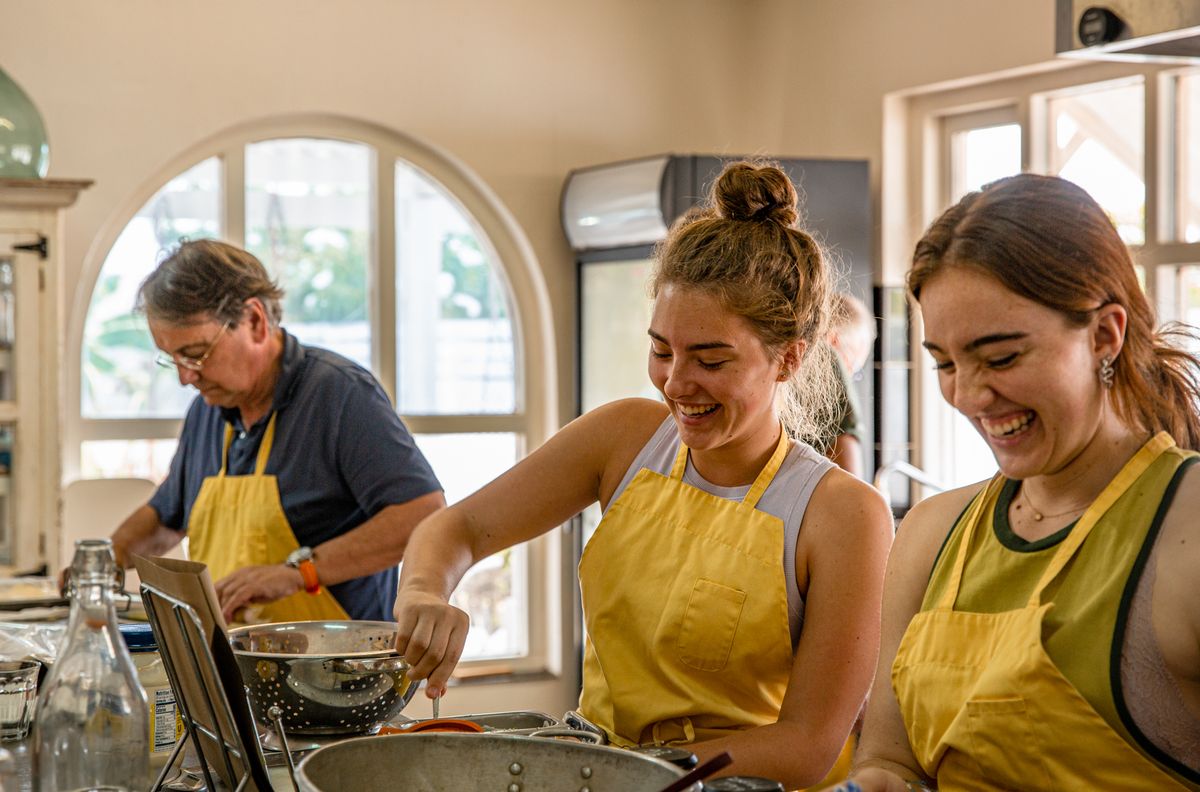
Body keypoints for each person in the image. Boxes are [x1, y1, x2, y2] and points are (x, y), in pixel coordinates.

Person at [392, 162, 893, 789]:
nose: (676, 384)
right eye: (661, 350)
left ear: (788, 357)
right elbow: (458, 527)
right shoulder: (625, 439)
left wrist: (618, 775)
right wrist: (422, 594)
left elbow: (805, 747)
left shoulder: (840, 513)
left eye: (711, 360)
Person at [841, 174, 1200, 791]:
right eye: (945, 364)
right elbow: (889, 763)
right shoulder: (933, 534)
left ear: (1104, 335)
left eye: (1002, 357)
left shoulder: (1185, 530)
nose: (970, 395)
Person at [107, 239, 446, 624]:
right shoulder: (207, 411)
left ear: (254, 321)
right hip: (238, 667)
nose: (186, 377)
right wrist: (106, 558)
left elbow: (423, 515)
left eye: (196, 353)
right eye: (173, 360)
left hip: (338, 671)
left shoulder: (339, 395)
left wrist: (298, 573)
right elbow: (166, 516)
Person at [826, 292, 875, 478]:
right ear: (833, 341)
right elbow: (850, 481)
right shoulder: (830, 362)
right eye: (852, 367)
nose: (849, 378)